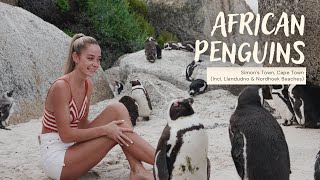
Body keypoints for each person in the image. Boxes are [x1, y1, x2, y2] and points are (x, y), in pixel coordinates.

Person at [39, 33, 155, 180]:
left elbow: (81, 126)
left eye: (98, 59)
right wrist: (105, 130)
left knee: (117, 109)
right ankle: (167, 163)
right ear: (75, 58)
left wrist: (107, 127)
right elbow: (66, 135)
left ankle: (137, 169)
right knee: (114, 131)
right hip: (57, 158)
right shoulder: (61, 87)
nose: (95, 64)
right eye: (90, 58)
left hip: (74, 147)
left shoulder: (87, 84)